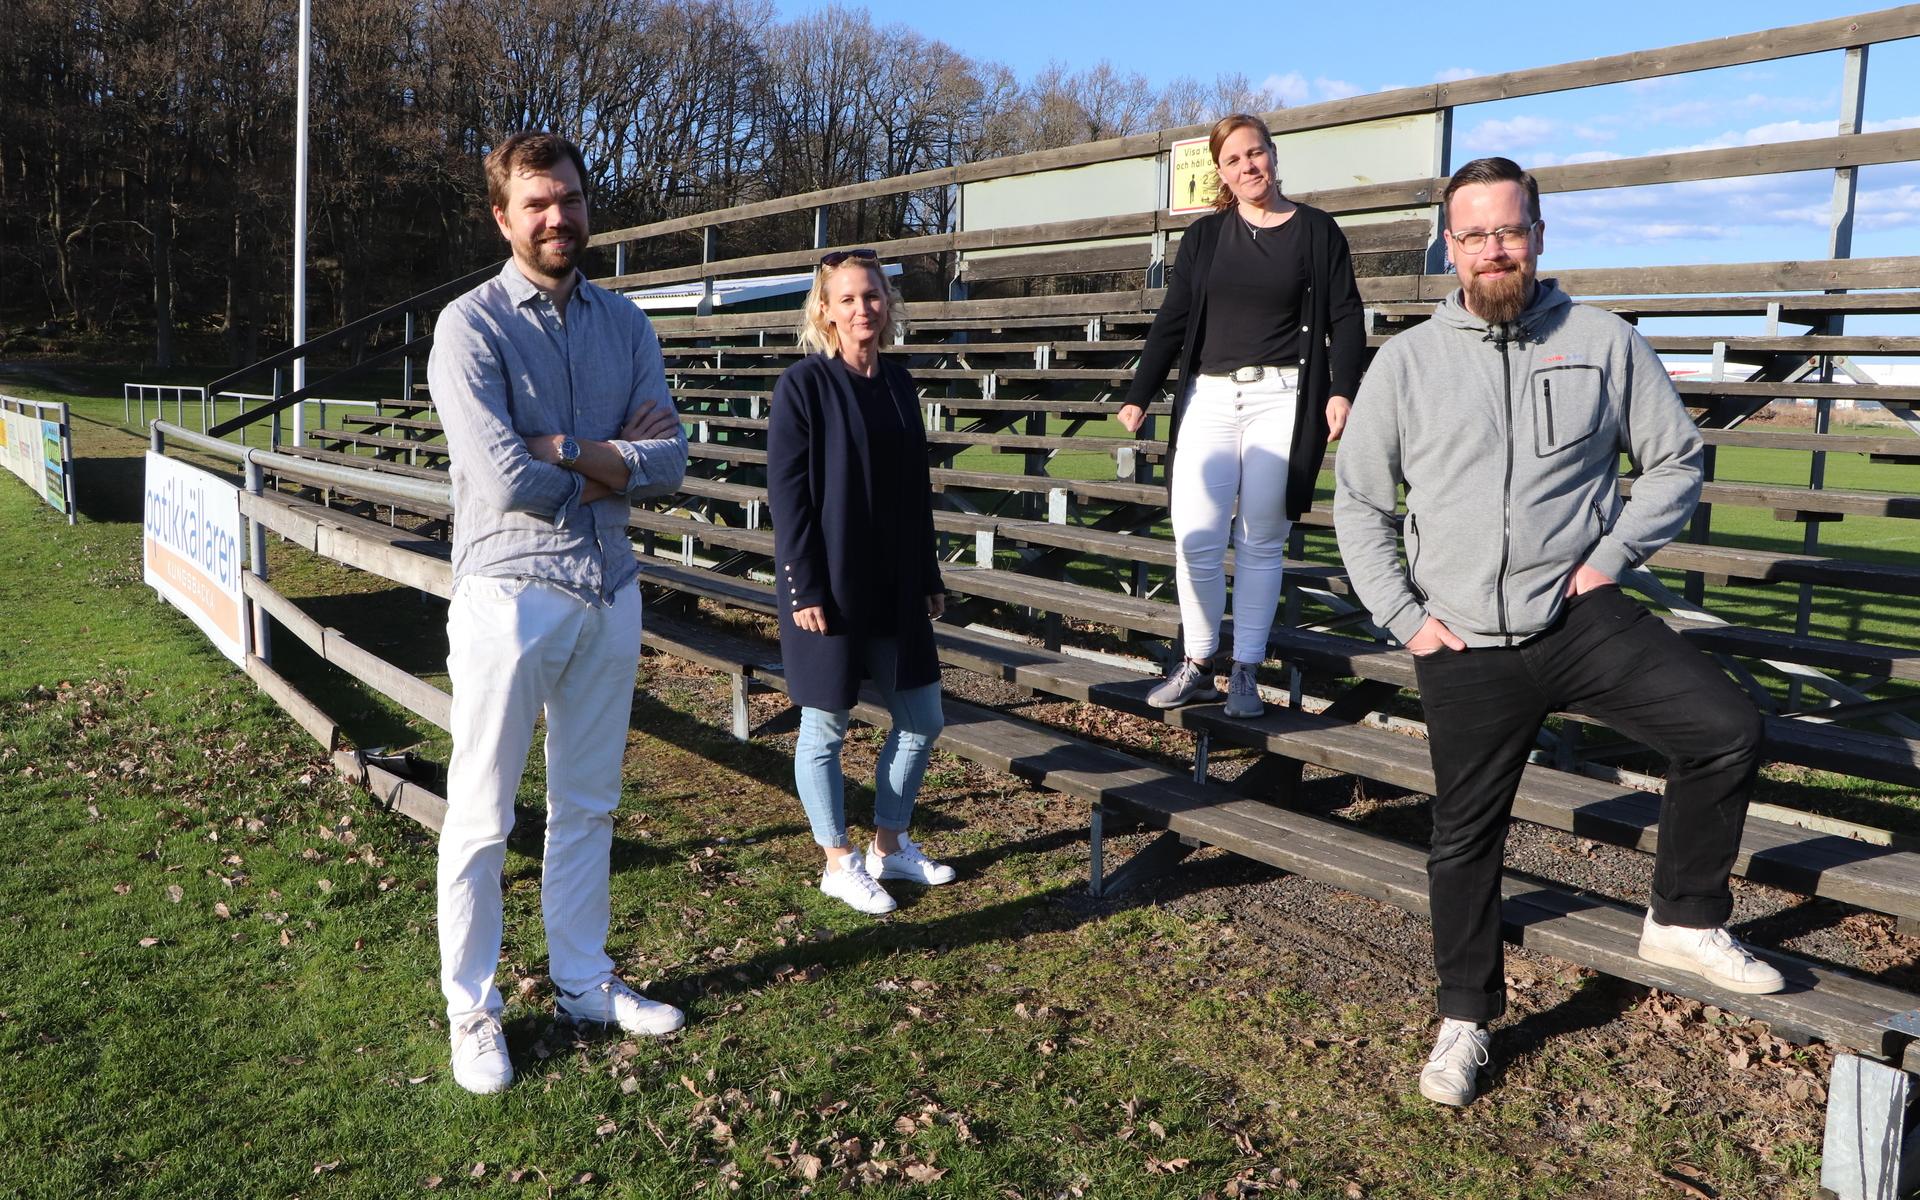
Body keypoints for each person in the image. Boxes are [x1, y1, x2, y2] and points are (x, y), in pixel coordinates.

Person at [1332, 156, 1783, 1109]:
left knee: (1725, 730)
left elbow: (1674, 460)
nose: (1495, 251)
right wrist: (1407, 620)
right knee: (1464, 836)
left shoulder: (1603, 340)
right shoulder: (1406, 364)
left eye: (1511, 231)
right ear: (1446, 248)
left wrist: (1611, 561)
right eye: (1475, 236)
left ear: (1539, 233)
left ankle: (1683, 918)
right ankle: (1466, 1017)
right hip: (1461, 638)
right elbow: (1361, 504)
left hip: (1578, 615)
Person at [428, 131, 691, 1095]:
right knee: (484, 813)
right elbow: (502, 478)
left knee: (588, 805)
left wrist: (571, 447)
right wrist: (611, 463)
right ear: (503, 217)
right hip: (509, 595)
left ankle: (582, 981)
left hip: (609, 588)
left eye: (569, 199)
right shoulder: (469, 326)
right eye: (536, 203)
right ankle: (473, 1008)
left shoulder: (626, 324)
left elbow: (673, 458)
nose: (557, 217)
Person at [1118, 113, 1364, 718]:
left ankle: (1247, 671)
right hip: (1208, 396)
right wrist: (1139, 391)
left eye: (1256, 153)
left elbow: (1346, 317)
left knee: (1260, 537)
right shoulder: (1203, 237)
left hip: (1283, 396)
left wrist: (1341, 388)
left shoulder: (1317, 231)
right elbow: (1174, 319)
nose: (1248, 166)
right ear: (1221, 172)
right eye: (1234, 159)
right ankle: (1198, 663)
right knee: (1195, 536)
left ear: (1273, 155)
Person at [767, 249, 954, 917]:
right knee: (825, 726)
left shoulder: (900, 383)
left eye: (871, 296)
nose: (862, 309)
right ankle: (837, 862)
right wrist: (803, 588)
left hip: (898, 584)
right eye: (846, 298)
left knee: (922, 718)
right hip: (830, 587)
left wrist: (929, 572)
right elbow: (788, 497)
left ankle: (890, 845)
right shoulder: (804, 385)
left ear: (888, 305)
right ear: (825, 310)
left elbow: (915, 491)